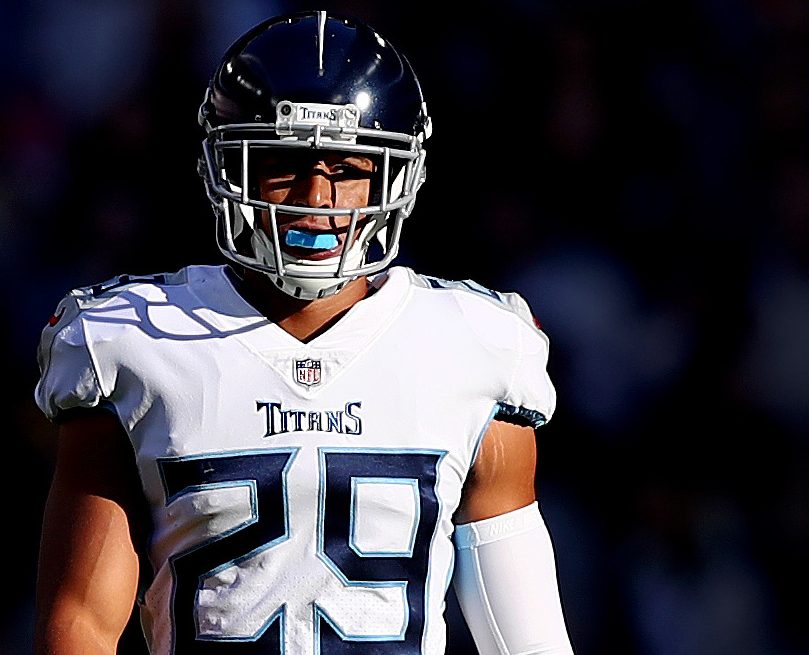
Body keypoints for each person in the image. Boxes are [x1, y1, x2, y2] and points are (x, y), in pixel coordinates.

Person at [33, 10, 575, 655]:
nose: (316, 197)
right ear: (227, 167)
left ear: (396, 175)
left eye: (347, 169)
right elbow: (82, 625)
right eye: (285, 163)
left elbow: (526, 640)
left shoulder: (475, 345)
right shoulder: (133, 340)